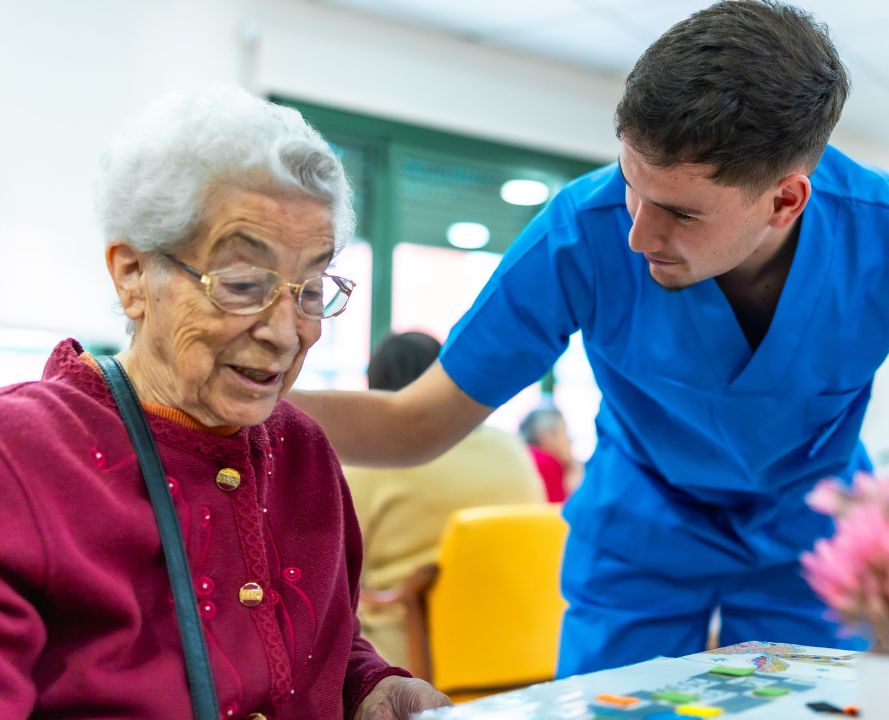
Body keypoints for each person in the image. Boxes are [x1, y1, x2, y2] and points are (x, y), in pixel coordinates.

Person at [290, 1, 889, 675]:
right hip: (641, 532)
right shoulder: (580, 232)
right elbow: (417, 422)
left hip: (810, 537)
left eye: (679, 212)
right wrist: (236, 398)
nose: (638, 234)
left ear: (785, 201)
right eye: (631, 183)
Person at [0, 86, 449, 717]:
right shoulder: (22, 456)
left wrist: (370, 687)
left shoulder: (302, 451)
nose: (286, 333)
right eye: (242, 284)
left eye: (310, 289)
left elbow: (321, 645)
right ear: (133, 275)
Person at [348, 331, 544, 667]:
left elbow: (332, 565)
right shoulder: (510, 448)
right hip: (527, 647)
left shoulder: (372, 461)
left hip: (414, 658)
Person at [519, 405, 582, 502]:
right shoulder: (548, 463)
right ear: (546, 436)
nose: (570, 440)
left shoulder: (522, 456)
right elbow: (561, 509)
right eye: (564, 432)